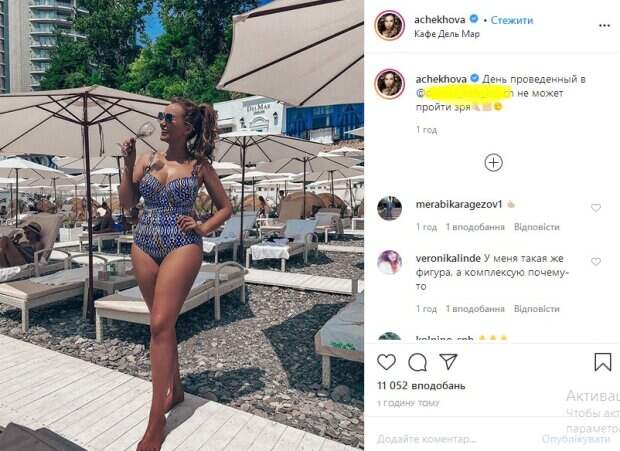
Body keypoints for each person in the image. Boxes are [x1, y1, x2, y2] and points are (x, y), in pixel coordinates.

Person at [118, 97, 231, 451]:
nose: (163, 121)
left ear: (188, 127)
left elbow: (225, 207)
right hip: (144, 242)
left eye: (170, 117)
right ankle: (177, 389)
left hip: (182, 243)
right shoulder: (147, 160)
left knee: (159, 325)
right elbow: (127, 204)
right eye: (161, 116)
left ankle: (156, 422)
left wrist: (203, 226)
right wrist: (127, 164)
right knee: (162, 325)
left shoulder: (199, 166)